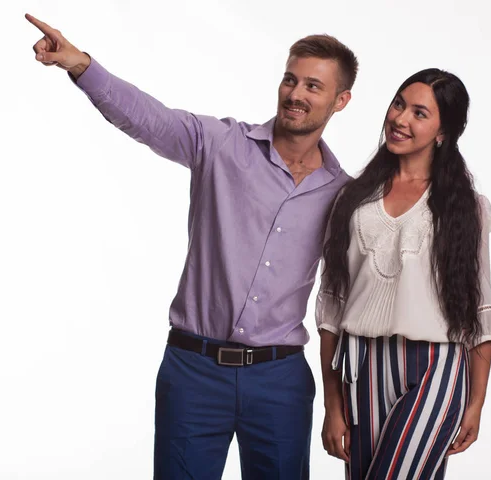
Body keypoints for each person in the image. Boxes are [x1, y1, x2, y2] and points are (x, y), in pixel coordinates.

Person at [25, 12, 358, 480]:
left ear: (340, 100)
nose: (296, 95)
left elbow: (347, 298)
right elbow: (149, 119)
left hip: (280, 379)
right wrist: (80, 64)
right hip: (194, 372)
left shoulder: (343, 194)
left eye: (313, 87)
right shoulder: (222, 144)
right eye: (290, 80)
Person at [316, 69, 491, 479]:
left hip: (436, 366)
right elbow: (332, 303)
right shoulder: (353, 199)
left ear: (443, 131)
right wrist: (332, 404)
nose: (401, 119)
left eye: (420, 113)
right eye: (399, 104)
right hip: (361, 365)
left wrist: (476, 401)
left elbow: (480, 307)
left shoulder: (465, 208)